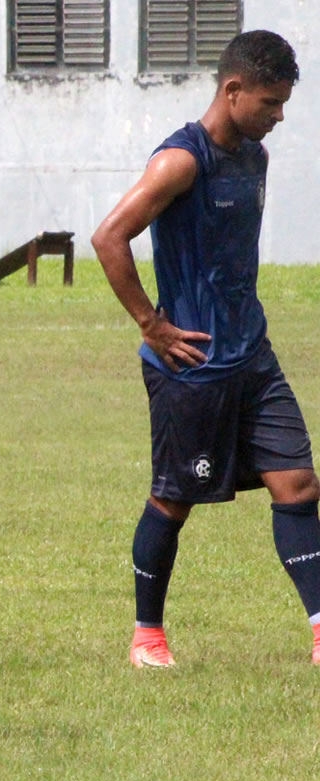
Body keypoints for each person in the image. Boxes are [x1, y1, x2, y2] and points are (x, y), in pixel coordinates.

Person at [92, 30, 320, 667]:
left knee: (299, 483)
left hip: (253, 356)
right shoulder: (180, 162)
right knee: (174, 497)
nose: (279, 116)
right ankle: (147, 636)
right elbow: (109, 237)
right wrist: (152, 325)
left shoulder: (255, 157)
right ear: (233, 90)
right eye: (271, 102)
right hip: (192, 368)